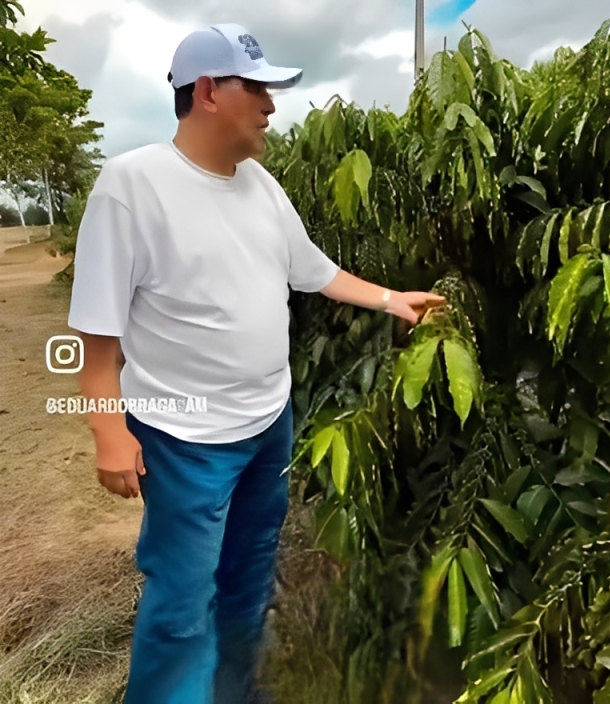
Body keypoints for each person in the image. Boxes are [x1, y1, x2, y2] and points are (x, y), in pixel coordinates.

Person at [68, 24, 445, 703]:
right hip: (185, 438)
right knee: (183, 605)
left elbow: (314, 270)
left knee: (246, 583)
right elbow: (98, 335)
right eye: (258, 89)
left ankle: (234, 692)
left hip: (268, 423)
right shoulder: (132, 185)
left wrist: (393, 299)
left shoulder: (260, 185)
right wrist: (108, 430)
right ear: (208, 92)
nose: (271, 106)